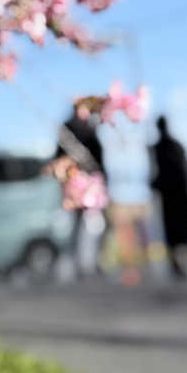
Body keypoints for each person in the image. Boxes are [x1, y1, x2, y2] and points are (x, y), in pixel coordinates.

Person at [56, 110, 108, 276]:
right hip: (83, 182)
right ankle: (86, 263)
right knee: (85, 225)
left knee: (84, 225)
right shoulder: (84, 128)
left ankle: (86, 262)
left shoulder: (79, 127)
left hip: (85, 182)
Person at [150, 116, 187, 278]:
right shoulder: (171, 146)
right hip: (176, 196)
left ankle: (179, 264)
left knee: (176, 232)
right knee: (177, 233)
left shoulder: (159, 148)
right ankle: (178, 264)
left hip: (174, 197)